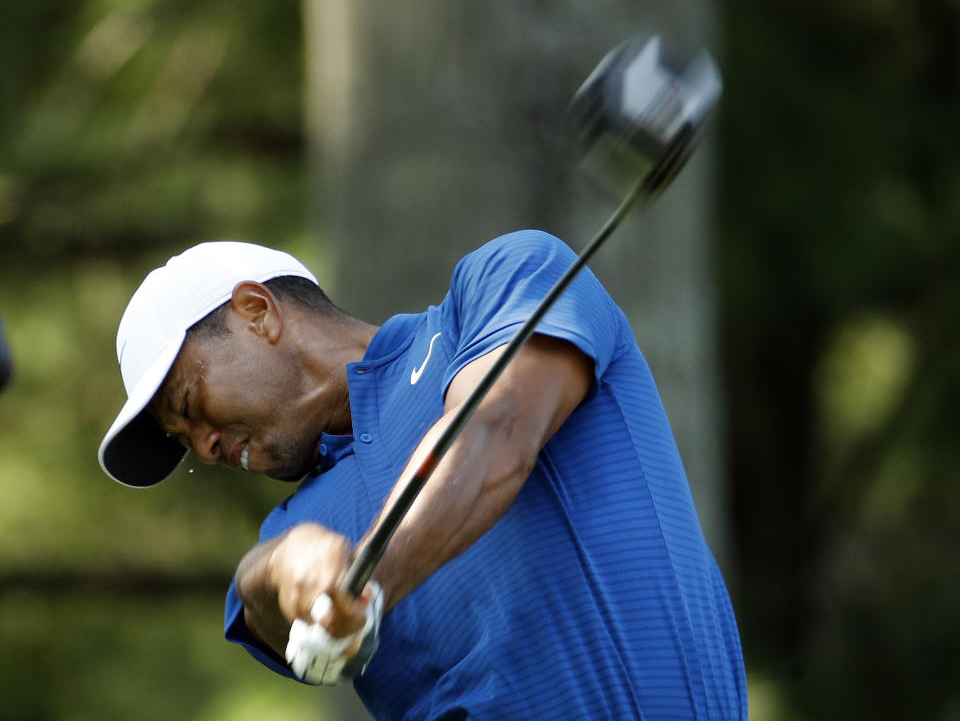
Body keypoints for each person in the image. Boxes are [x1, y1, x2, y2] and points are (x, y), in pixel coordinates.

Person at [99, 232, 747, 719]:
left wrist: (368, 582)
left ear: (256, 312)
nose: (206, 450)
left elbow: (493, 433)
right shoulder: (298, 523)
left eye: (189, 408)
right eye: (184, 444)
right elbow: (261, 594)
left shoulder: (503, 283)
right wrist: (285, 572)